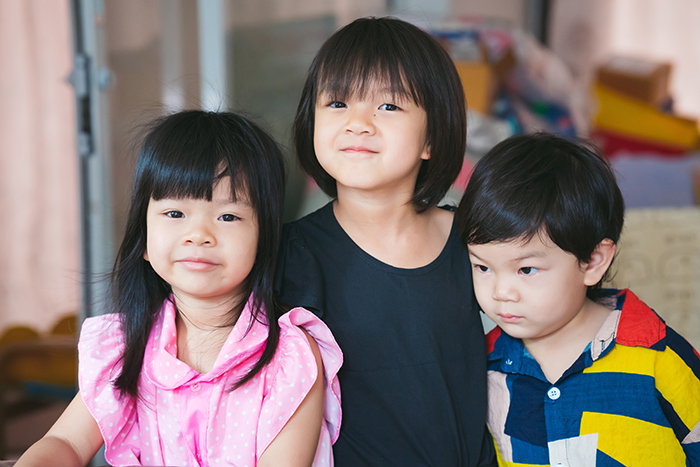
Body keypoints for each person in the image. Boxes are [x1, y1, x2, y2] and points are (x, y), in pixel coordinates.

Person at [16, 110, 342, 467]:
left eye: (228, 216)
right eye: (175, 214)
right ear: (143, 238)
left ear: (264, 240)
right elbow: (65, 442)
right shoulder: (127, 346)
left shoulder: (290, 355)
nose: (198, 234)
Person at [275, 16, 495, 466]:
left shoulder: (472, 241)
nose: (358, 123)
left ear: (431, 137)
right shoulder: (292, 253)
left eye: (388, 107)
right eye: (337, 103)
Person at [456, 132, 700, 466]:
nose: (500, 292)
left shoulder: (658, 356)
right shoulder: (483, 366)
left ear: (593, 262)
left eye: (526, 270)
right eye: (482, 267)